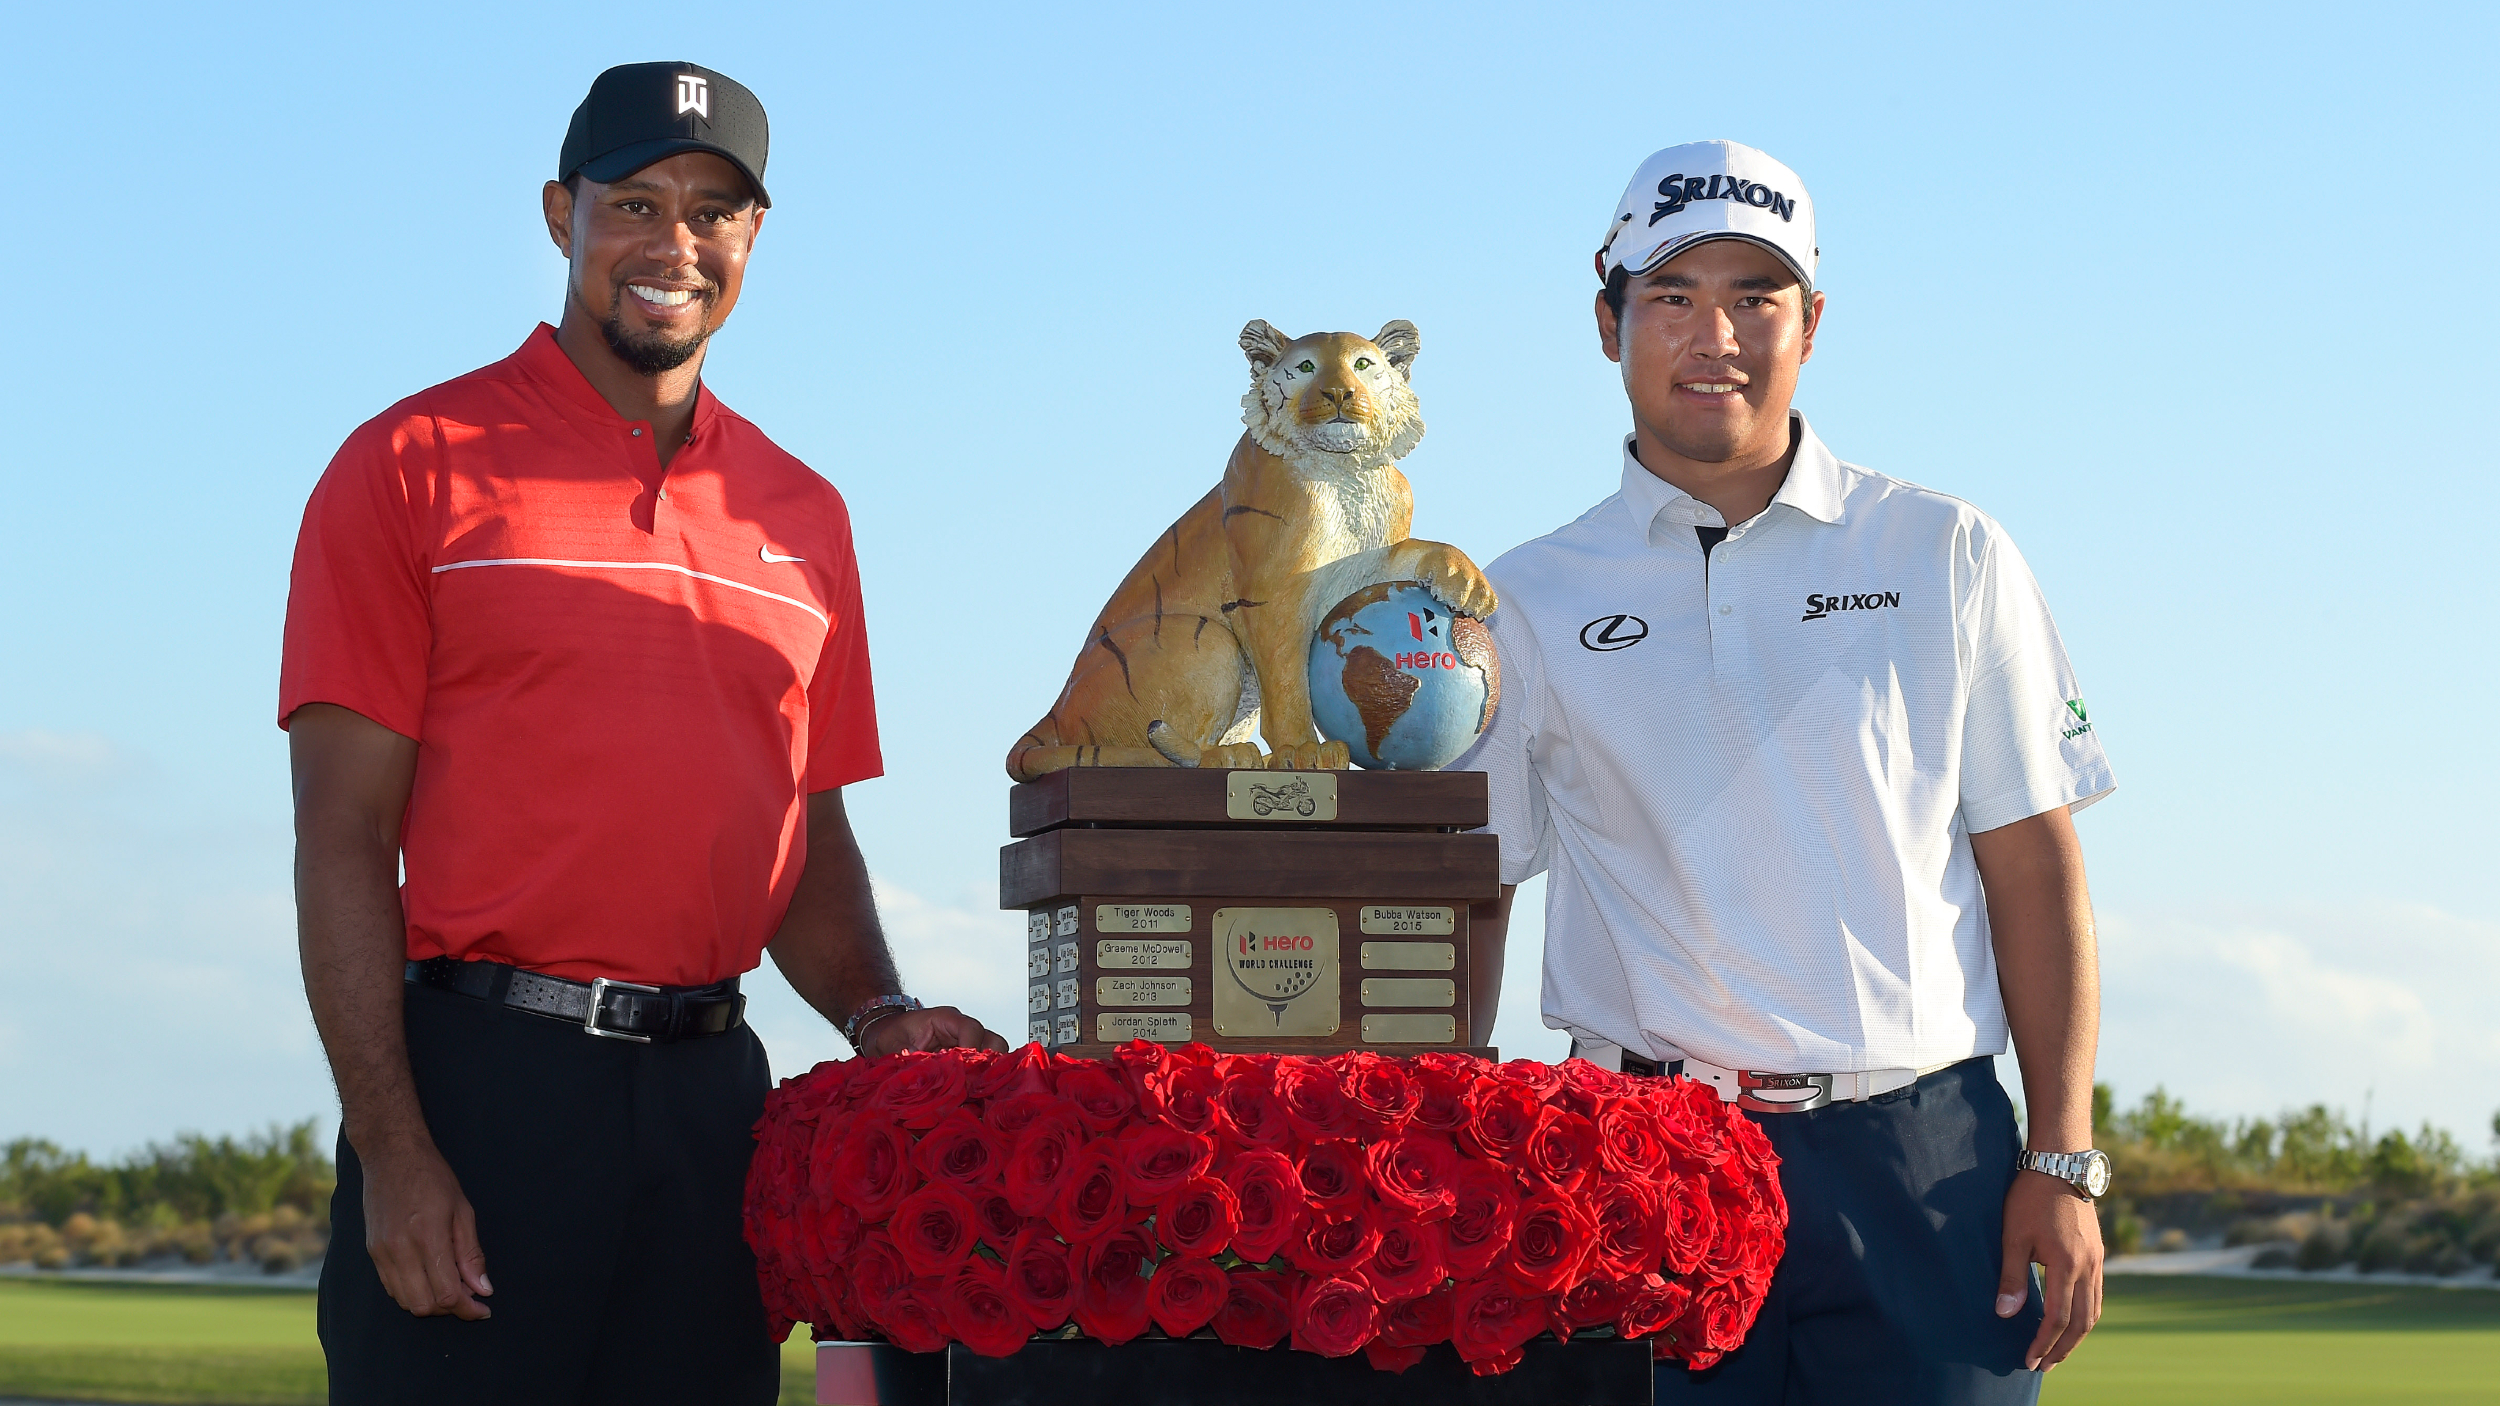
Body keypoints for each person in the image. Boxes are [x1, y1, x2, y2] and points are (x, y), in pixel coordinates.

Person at [281, 62, 1004, 1405]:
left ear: (753, 238)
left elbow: (805, 828)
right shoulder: (410, 461)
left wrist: (876, 1009)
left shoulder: (803, 511)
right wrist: (395, 1146)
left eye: (712, 211)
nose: (675, 244)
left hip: (713, 1110)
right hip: (482, 1094)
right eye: (635, 204)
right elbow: (343, 829)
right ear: (562, 215)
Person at [1456, 140, 2113, 1401]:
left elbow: (2034, 868)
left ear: (1810, 324)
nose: (1715, 336)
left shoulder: (1946, 550)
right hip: (1635, 1155)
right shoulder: (1522, 597)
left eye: (1754, 297)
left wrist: (2063, 1155)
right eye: (1672, 295)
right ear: (1607, 322)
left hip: (1926, 1161)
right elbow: (1472, 889)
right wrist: (1456, 1132)